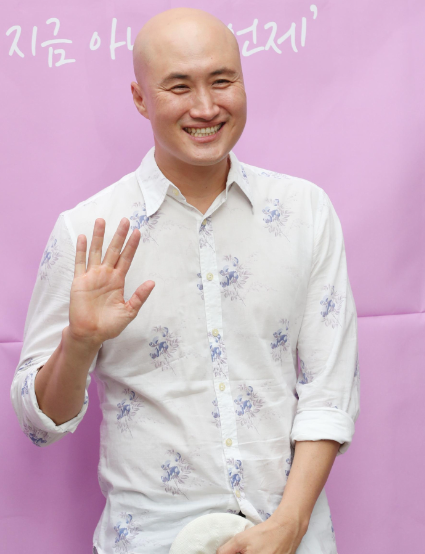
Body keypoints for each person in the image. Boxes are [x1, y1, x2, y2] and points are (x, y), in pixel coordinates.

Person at [10, 7, 360, 554]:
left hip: (291, 537)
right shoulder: (87, 231)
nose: (205, 107)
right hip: (148, 540)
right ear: (140, 98)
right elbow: (40, 424)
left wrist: (289, 526)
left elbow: (329, 390)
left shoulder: (305, 212)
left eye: (222, 81)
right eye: (179, 87)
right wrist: (80, 341)